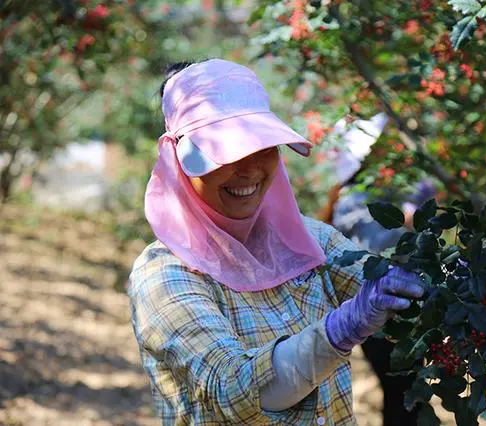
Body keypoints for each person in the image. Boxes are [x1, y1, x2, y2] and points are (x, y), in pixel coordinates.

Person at [127, 58, 427, 425]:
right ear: (181, 159)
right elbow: (231, 391)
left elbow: (408, 304)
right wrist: (340, 328)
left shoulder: (309, 240)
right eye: (229, 152)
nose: (250, 168)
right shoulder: (165, 274)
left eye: (262, 145)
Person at [317, 114, 436, 426]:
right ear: (367, 155)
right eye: (379, 144)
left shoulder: (363, 195)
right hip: (386, 316)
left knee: (403, 392)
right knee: (405, 394)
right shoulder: (359, 200)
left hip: (386, 314)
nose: (388, 148)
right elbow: (388, 254)